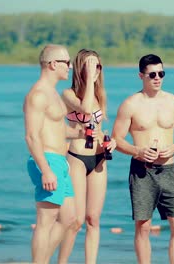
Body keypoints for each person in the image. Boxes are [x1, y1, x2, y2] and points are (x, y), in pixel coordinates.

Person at [112, 54, 174, 264]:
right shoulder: (130, 104)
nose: (158, 78)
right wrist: (137, 150)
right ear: (141, 76)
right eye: (152, 74)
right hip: (142, 171)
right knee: (144, 226)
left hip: (169, 170)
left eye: (161, 73)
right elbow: (116, 139)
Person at [23, 44, 82, 263]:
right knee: (45, 221)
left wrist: (80, 133)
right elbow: (32, 136)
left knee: (69, 219)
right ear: (52, 64)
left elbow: (57, 129)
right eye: (67, 62)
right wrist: (46, 170)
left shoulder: (54, 94)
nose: (70, 67)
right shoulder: (37, 95)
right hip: (47, 161)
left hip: (59, 162)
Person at [58, 49, 116, 264]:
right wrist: (90, 80)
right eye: (91, 66)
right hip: (77, 158)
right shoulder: (68, 94)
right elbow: (85, 109)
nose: (95, 71)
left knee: (93, 219)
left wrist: (111, 142)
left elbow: (98, 127)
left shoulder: (100, 95)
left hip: (99, 158)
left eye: (98, 66)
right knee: (76, 220)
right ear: (81, 68)